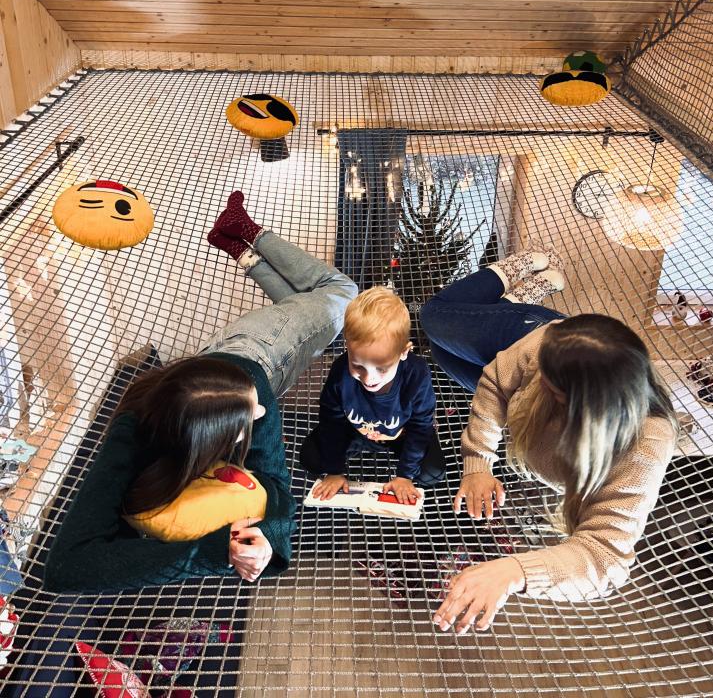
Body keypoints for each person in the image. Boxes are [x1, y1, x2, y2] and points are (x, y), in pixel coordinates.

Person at [44, 191, 357, 593]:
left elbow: (277, 486)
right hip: (218, 366)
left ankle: (246, 231)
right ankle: (240, 246)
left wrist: (266, 538)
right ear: (206, 442)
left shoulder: (253, 396)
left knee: (343, 293)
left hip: (259, 350)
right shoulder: (139, 429)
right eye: (248, 420)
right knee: (314, 309)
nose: (262, 415)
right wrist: (216, 551)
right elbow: (67, 567)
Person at [420, 250, 678, 635]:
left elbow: (604, 557)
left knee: (443, 351)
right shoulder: (546, 345)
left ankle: (515, 301)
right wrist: (478, 463)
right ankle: (518, 276)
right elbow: (495, 380)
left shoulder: (643, 446)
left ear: (582, 407)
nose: (540, 384)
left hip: (540, 365)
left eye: (551, 390)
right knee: (433, 318)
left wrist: (515, 571)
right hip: (529, 331)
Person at [300, 287, 446, 504]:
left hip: (401, 435)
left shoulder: (416, 374)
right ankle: (348, 458)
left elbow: (421, 425)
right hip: (355, 432)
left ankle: (403, 468)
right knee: (310, 458)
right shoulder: (341, 373)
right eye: (358, 366)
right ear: (348, 347)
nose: (369, 379)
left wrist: (405, 475)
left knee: (433, 472)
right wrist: (334, 471)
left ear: (404, 352)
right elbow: (331, 421)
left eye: (382, 368)